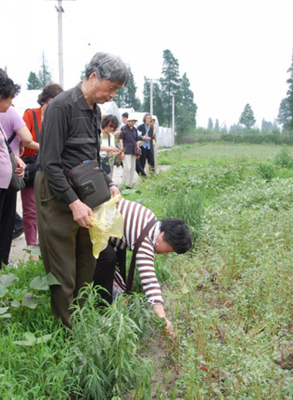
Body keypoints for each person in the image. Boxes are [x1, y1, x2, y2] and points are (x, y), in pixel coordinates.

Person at [35, 52, 129, 328]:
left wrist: (109, 183)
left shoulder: (94, 111)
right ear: (93, 77)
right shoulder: (61, 107)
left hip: (84, 192)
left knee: (87, 263)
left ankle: (83, 323)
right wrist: (73, 202)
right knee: (63, 269)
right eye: (110, 88)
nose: (111, 96)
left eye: (115, 91)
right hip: (56, 192)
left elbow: (92, 156)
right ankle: (69, 337)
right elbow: (49, 162)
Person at [93, 198, 192, 336]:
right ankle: (101, 311)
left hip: (103, 220)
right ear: (163, 235)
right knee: (108, 259)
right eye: (168, 250)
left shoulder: (150, 218)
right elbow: (150, 281)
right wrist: (163, 319)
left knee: (118, 258)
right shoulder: (145, 241)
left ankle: (116, 297)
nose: (164, 253)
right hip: (90, 223)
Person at [21, 84, 63, 255]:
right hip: (32, 164)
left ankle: (49, 244)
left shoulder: (60, 115)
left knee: (50, 207)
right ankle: (32, 246)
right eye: (52, 101)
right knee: (30, 209)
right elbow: (25, 140)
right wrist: (45, 148)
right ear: (44, 100)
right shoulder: (31, 114)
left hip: (51, 166)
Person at [0, 69, 26, 267]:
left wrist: (15, 157)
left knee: (6, 225)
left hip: (6, 182)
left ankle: (3, 264)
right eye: (8, 100)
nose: (10, 106)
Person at [119, 113, 143, 185]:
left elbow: (136, 140)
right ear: (128, 121)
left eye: (134, 121)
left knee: (132, 167)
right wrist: (122, 151)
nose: (132, 122)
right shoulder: (123, 129)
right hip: (126, 150)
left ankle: (130, 183)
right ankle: (125, 184)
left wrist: (138, 149)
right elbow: (121, 140)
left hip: (133, 150)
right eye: (131, 121)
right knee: (127, 167)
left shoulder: (135, 130)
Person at [100, 114, 120, 179]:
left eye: (114, 127)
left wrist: (115, 152)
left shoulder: (111, 136)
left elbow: (112, 149)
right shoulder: (98, 134)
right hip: (97, 162)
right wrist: (110, 149)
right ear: (105, 123)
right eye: (111, 126)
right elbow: (98, 146)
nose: (111, 128)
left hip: (107, 162)